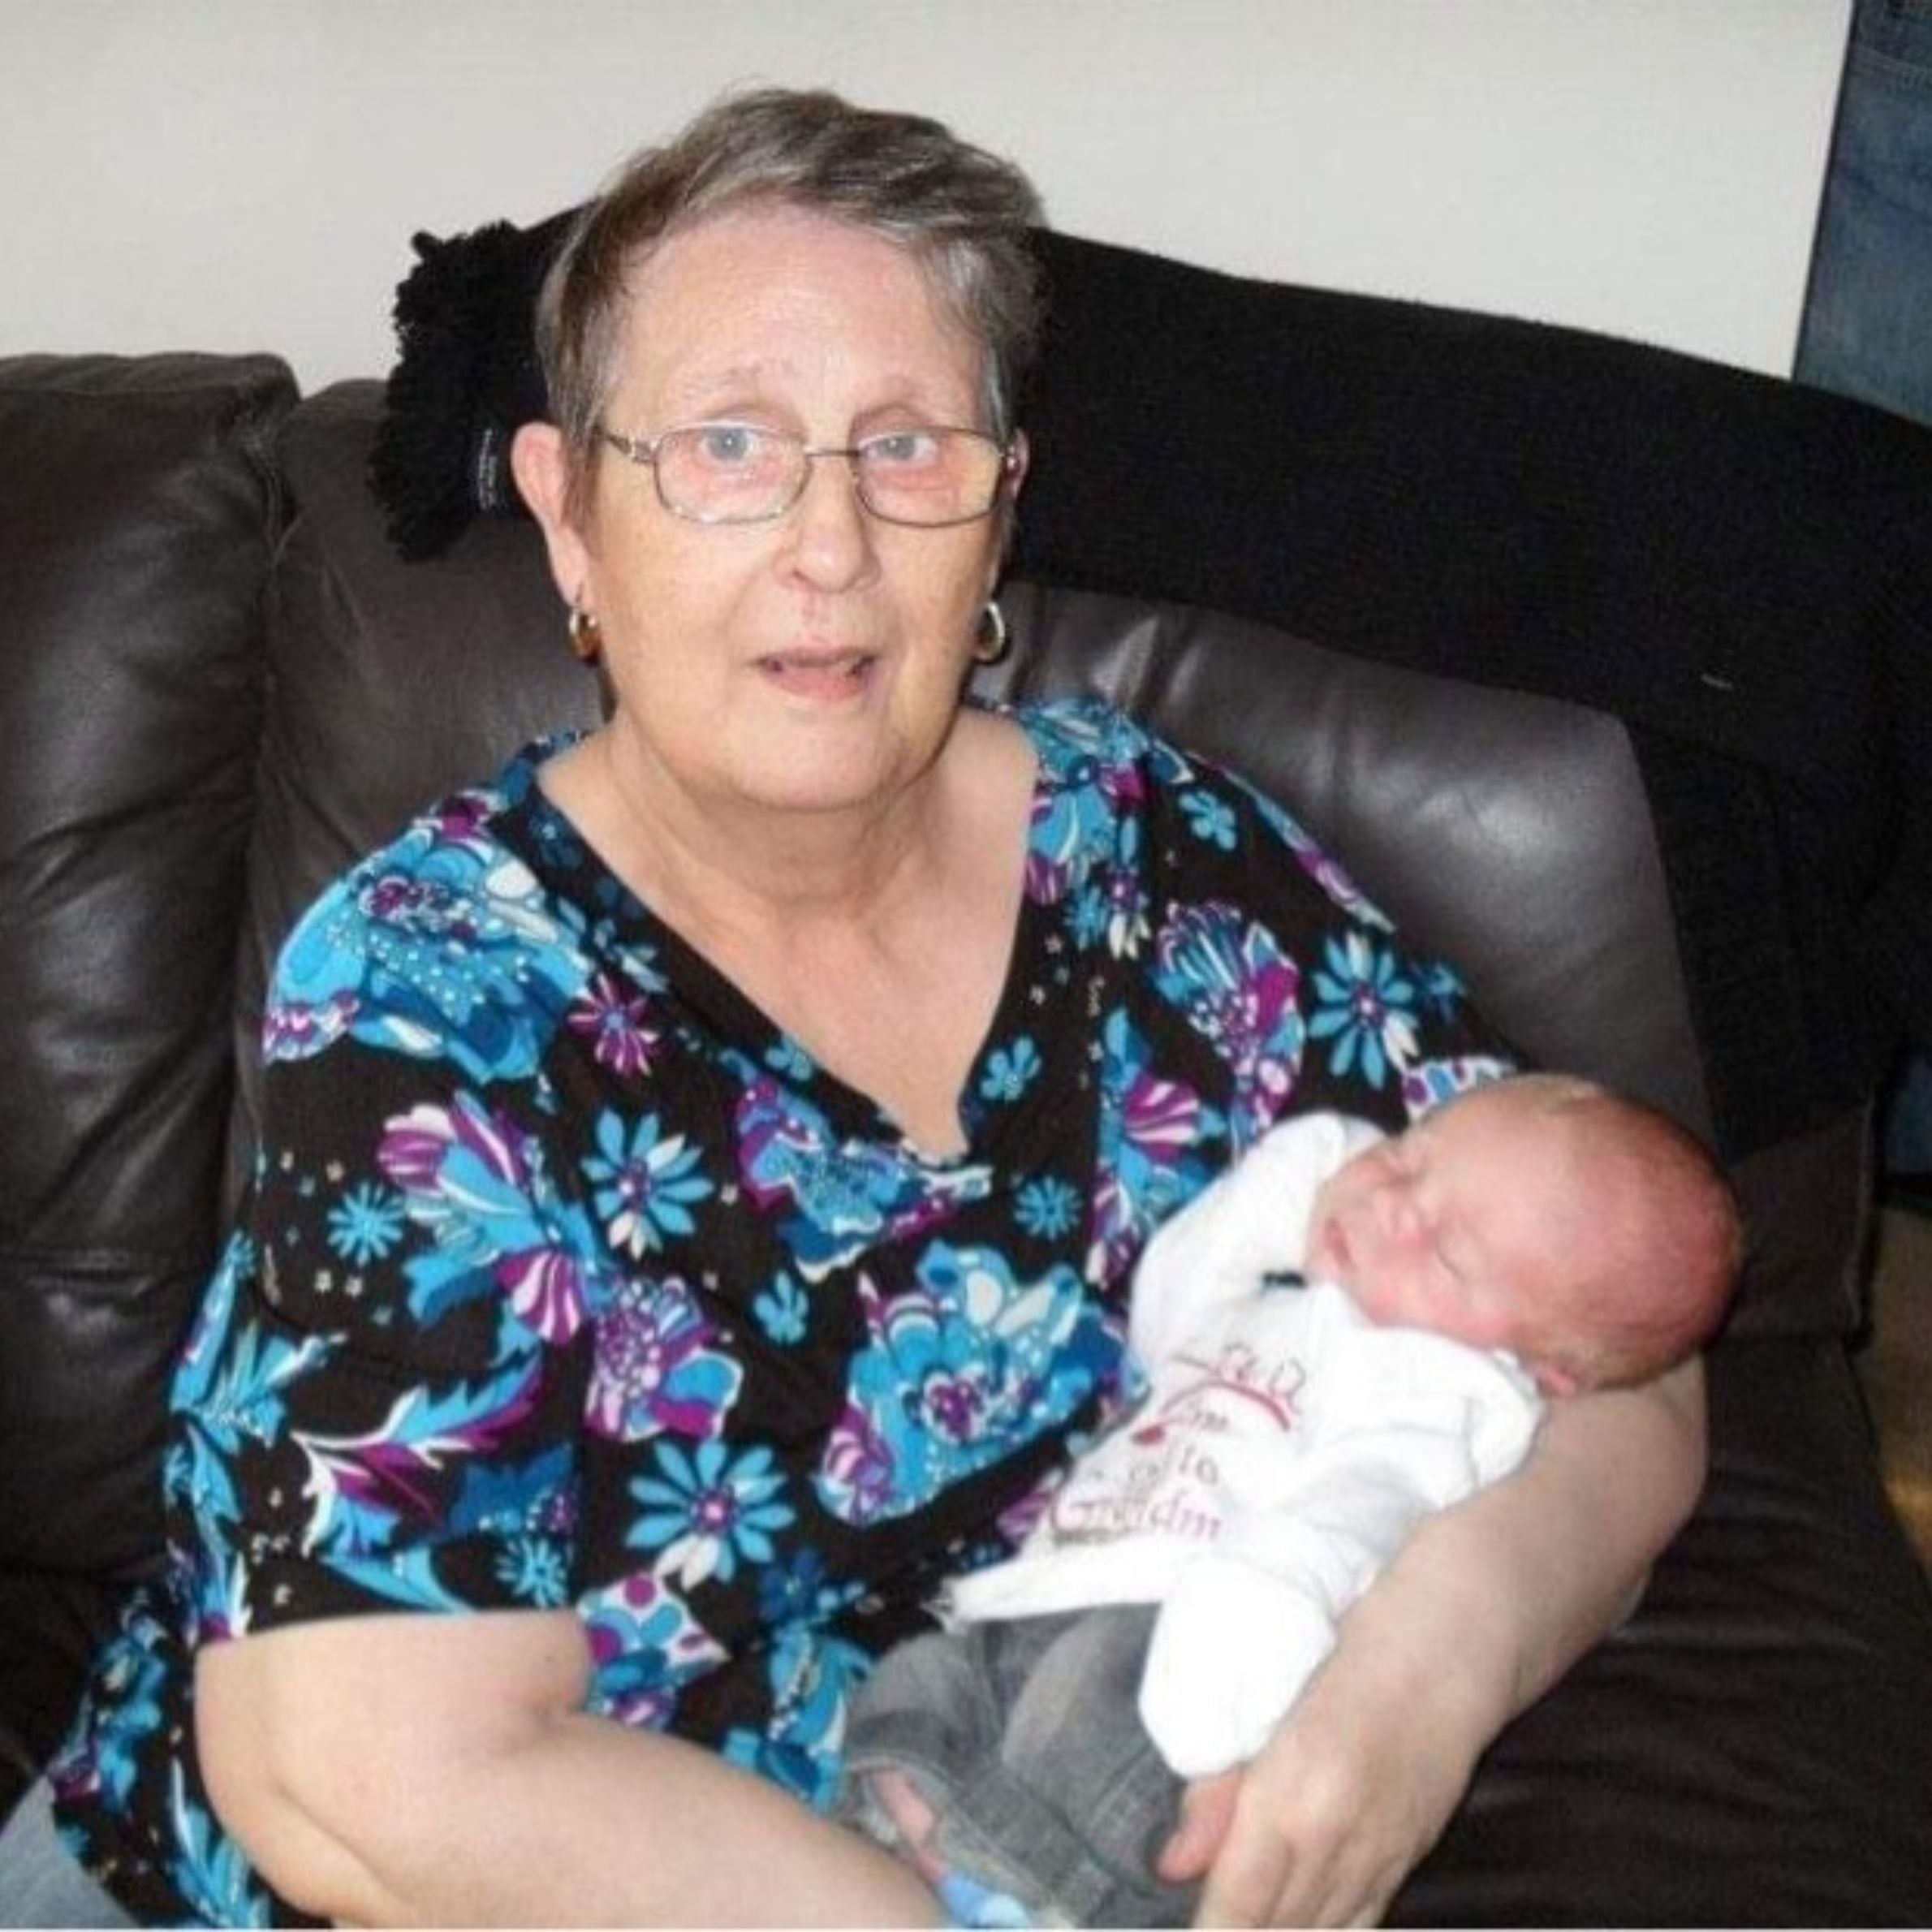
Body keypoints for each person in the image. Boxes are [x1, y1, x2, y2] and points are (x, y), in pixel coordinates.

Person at [14, 87, 1707, 1929]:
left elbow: (1619, 1336)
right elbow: (379, 1780)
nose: (831, 543)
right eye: (727, 443)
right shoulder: (441, 988)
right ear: (573, 521)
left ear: (999, 510)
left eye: (906, 447)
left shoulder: (1157, 850)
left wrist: (1423, 1677)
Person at [838, 1074, 1741, 1926]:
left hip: (1197, 1630)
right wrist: (1293, 1182)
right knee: (912, 1684)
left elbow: (1349, 1511)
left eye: (1450, 1253)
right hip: (1056, 1583)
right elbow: (1167, 1316)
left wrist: (1238, 1643)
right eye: (1412, 1154)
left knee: (1084, 1732)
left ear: (1544, 1370)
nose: (1391, 1207)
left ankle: (1037, 1891)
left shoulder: (1429, 1391)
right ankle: (949, 1845)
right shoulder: (1302, 1303)